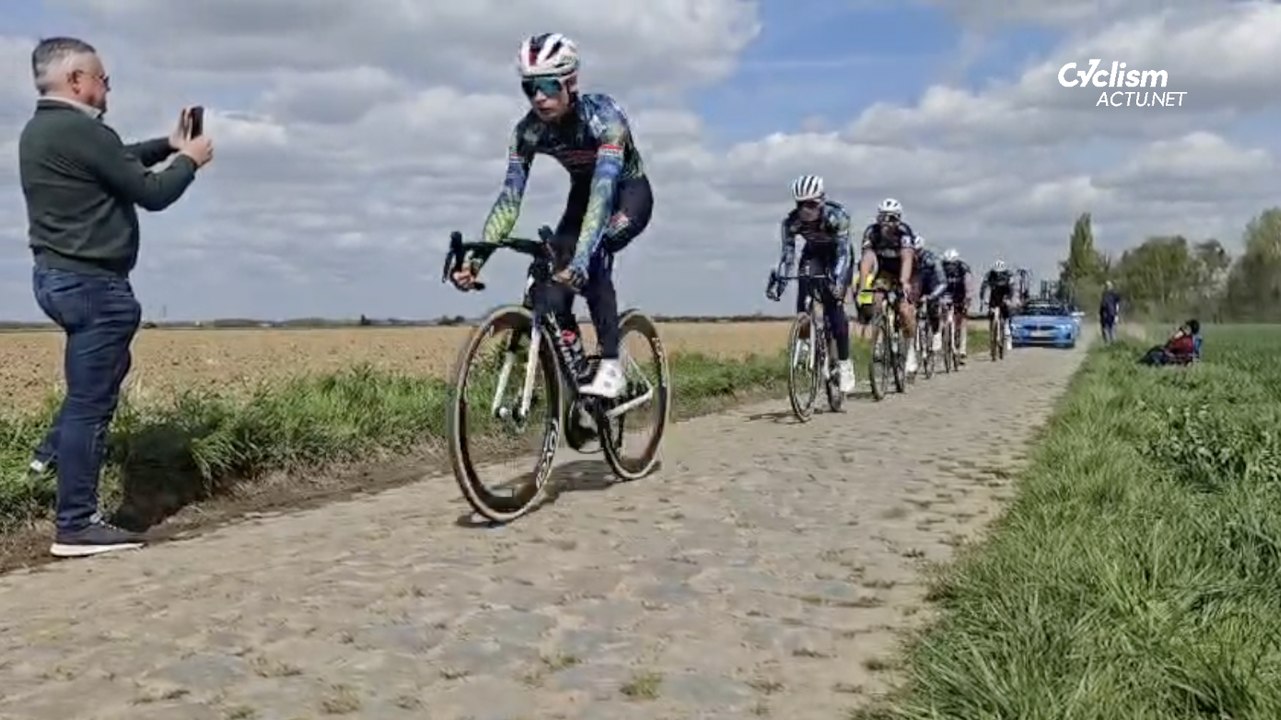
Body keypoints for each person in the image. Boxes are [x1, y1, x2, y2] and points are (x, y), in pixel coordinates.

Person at [18, 36, 213, 557]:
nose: (108, 88)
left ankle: (50, 453)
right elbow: (151, 193)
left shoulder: (44, 131)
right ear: (76, 79)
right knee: (90, 403)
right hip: (94, 286)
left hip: (57, 278)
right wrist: (190, 160)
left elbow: (118, 158)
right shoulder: (79, 130)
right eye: (103, 78)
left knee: (104, 374)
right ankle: (76, 524)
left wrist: (167, 145)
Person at [449, 32, 652, 400]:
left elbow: (603, 195)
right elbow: (509, 199)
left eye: (547, 85)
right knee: (553, 288)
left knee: (594, 253)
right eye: (529, 88)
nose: (539, 96)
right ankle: (579, 389)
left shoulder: (604, 118)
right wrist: (478, 258)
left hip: (626, 193)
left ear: (571, 82)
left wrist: (580, 258)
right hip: (582, 196)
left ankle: (610, 366)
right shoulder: (527, 132)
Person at [765, 175, 856, 393]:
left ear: (822, 200)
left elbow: (843, 253)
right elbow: (788, 256)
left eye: (812, 204)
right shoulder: (791, 222)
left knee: (834, 305)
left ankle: (844, 363)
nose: (806, 210)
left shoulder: (838, 216)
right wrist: (780, 282)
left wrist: (836, 280)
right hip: (813, 254)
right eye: (801, 205)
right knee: (803, 293)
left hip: (837, 257)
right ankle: (805, 341)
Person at [855, 198, 919, 372]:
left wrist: (905, 282)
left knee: (905, 311)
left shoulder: (904, 232)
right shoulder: (871, 232)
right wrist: (862, 285)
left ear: (898, 220)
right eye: (881, 218)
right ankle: (877, 342)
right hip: (884, 272)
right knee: (876, 299)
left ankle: (910, 348)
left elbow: (907, 258)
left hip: (905, 272)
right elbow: (866, 260)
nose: (885, 223)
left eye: (890, 218)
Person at [910, 237, 947, 354]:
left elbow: (942, 281)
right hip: (918, 286)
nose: (915, 254)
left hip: (933, 285)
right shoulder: (908, 260)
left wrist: (933, 295)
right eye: (913, 251)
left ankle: (936, 334)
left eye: (917, 251)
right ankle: (914, 341)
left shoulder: (932, 259)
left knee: (933, 309)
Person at [940, 248, 972, 360]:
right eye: (947, 264)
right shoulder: (940, 268)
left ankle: (962, 349)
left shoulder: (963, 268)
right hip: (946, 293)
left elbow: (968, 285)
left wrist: (967, 299)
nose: (949, 267)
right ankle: (945, 338)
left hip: (960, 293)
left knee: (961, 319)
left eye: (952, 264)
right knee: (944, 316)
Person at [980, 259, 1015, 349]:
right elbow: (984, 287)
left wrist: (1009, 299)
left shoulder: (1008, 275)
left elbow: (1011, 289)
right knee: (991, 312)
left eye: (1000, 273)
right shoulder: (989, 275)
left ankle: (1007, 332)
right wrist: (982, 298)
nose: (998, 275)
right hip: (994, 295)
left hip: (1005, 294)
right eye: (997, 273)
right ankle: (993, 331)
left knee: (1006, 312)